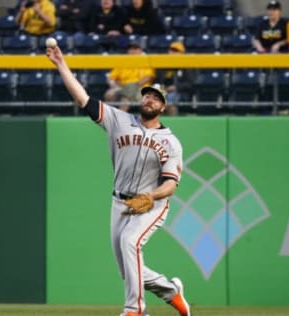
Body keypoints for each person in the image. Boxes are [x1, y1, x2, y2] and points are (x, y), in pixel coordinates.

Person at [46, 41, 191, 316]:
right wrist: (61, 65)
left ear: (163, 106)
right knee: (128, 270)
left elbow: (171, 184)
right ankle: (171, 292)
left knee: (130, 244)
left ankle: (135, 309)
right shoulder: (119, 120)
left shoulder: (172, 142)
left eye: (156, 98)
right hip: (120, 202)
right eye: (147, 95)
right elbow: (83, 98)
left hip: (151, 204)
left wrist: (151, 196)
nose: (149, 99)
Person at [105, 41, 155, 112]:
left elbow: (148, 77)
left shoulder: (146, 60)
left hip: (140, 88)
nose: (132, 51)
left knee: (127, 95)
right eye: (130, 49)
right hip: (122, 87)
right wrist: (114, 86)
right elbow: (111, 78)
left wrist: (132, 86)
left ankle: (120, 117)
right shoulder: (123, 61)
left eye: (135, 49)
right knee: (109, 94)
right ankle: (108, 117)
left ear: (140, 50)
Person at [156, 41, 196, 115]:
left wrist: (176, 87)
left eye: (176, 51)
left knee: (171, 98)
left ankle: (172, 122)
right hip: (164, 91)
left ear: (182, 53)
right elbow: (158, 81)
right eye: (171, 50)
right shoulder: (163, 65)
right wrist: (163, 88)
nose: (172, 52)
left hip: (181, 92)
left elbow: (191, 84)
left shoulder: (187, 66)